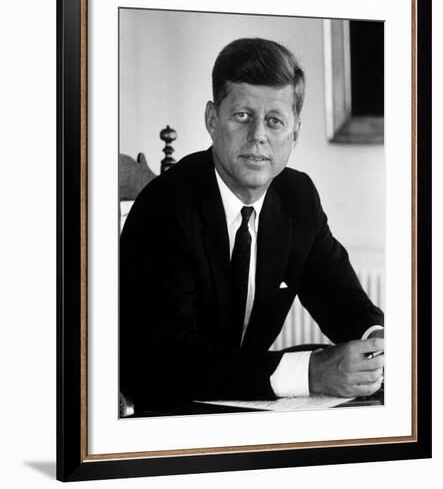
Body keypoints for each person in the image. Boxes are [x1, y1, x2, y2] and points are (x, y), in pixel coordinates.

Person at [120, 37, 384, 412]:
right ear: (212, 120)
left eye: (275, 121)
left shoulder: (298, 197)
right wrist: (309, 373)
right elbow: (169, 361)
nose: (258, 134)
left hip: (248, 405)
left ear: (294, 132)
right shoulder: (165, 207)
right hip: (163, 411)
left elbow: (342, 300)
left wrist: (378, 342)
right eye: (242, 115)